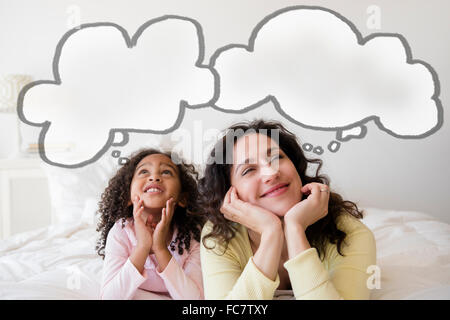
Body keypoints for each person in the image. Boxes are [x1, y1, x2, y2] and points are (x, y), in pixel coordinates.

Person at [198, 119, 376, 300]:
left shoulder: (348, 232)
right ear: (230, 194)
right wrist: (271, 233)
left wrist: (294, 228)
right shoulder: (219, 236)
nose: (271, 173)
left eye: (276, 158)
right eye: (249, 170)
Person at [96, 148, 205, 299]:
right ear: (128, 196)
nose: (154, 177)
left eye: (166, 172)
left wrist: (160, 249)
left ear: (183, 198)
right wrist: (142, 247)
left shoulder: (192, 236)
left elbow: (195, 301)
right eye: (144, 172)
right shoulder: (121, 231)